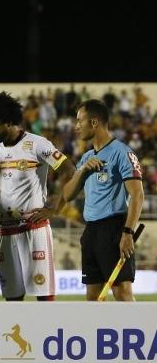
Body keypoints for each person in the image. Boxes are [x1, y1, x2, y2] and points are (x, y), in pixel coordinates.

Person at [0, 92, 75, 302]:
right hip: (6, 230)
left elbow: (71, 171)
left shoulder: (37, 144)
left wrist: (56, 206)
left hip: (35, 228)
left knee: (43, 296)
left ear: (8, 122)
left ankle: (48, 335)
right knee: (13, 298)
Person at [63, 99, 144, 301]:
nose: (76, 126)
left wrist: (127, 232)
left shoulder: (122, 152)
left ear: (94, 122)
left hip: (114, 229)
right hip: (90, 230)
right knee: (93, 296)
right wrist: (82, 170)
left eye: (80, 120)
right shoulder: (86, 157)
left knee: (122, 292)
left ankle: (142, 331)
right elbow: (67, 195)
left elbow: (138, 194)